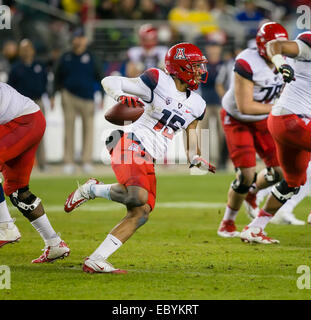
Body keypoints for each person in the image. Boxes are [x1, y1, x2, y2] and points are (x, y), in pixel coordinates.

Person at [64, 43, 216, 273]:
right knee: (138, 195)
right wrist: (121, 96)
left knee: (141, 211)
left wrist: (195, 157)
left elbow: (191, 133)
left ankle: (96, 259)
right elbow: (109, 81)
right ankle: (91, 190)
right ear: (181, 67)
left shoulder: (198, 104)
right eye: (195, 66)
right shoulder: (157, 80)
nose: (199, 71)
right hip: (128, 141)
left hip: (148, 156)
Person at [217, 22, 288, 238]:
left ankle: (252, 193)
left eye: (281, 45)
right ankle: (227, 223)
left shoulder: (289, 58)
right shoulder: (247, 62)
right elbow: (245, 106)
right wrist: (280, 108)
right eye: (274, 45)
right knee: (246, 175)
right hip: (237, 119)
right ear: (261, 45)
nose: (278, 50)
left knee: (280, 172)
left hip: (265, 118)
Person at [240, 29, 311, 244]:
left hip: (284, 121)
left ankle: (254, 228)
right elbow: (275, 45)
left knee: (293, 182)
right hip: (293, 119)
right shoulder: (307, 45)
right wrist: (282, 64)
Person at [0, 82, 70, 262]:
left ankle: (4, 226)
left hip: (22, 122)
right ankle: (54, 243)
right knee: (17, 190)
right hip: (30, 120)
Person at [53, 27, 103, 175]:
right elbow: (57, 76)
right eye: (76, 37)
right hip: (68, 95)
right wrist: (54, 94)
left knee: (88, 129)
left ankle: (86, 160)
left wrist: (101, 95)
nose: (78, 40)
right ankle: (69, 161)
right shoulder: (66, 56)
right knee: (69, 129)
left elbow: (100, 76)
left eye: (80, 37)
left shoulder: (92, 57)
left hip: (88, 97)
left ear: (85, 40)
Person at [8, 39, 49, 172]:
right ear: (20, 51)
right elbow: (10, 88)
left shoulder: (40, 65)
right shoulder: (15, 68)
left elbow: (45, 82)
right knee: (20, 135)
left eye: (28, 48)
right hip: (21, 105)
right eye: (23, 48)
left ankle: (43, 163)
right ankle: (19, 166)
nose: (26, 51)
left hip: (37, 102)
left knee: (39, 133)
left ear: (33, 50)